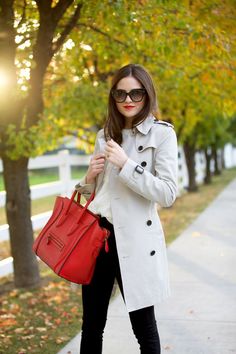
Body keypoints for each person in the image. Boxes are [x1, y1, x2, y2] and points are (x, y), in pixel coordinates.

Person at [75, 63, 178, 354]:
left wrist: (126, 165)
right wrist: (88, 178)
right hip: (100, 238)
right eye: (121, 94)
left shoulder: (162, 135)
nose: (128, 100)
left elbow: (168, 193)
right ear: (113, 97)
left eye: (136, 93)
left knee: (144, 329)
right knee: (92, 325)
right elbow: (100, 196)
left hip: (136, 240)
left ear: (147, 95)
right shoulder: (104, 135)